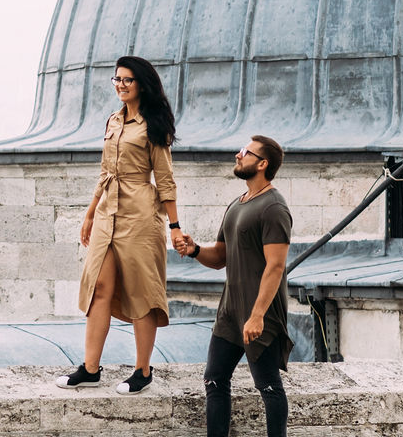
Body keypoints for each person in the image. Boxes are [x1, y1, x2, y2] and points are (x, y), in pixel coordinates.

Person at [55, 55, 183, 395]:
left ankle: (142, 370)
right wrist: (90, 212)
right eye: (117, 79)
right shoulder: (113, 121)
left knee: (142, 292)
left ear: (141, 83)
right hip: (107, 213)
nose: (121, 85)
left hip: (140, 215)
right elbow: (105, 173)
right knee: (100, 286)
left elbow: (165, 179)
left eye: (127, 79)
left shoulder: (153, 124)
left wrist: (175, 226)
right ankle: (90, 368)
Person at [174, 135, 290, 437]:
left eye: (246, 152)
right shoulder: (237, 204)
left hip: (260, 313)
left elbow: (275, 266)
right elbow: (220, 257)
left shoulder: (273, 207)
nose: (238, 155)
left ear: (262, 164)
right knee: (214, 379)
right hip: (230, 311)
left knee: (268, 387)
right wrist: (196, 249)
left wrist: (257, 315)